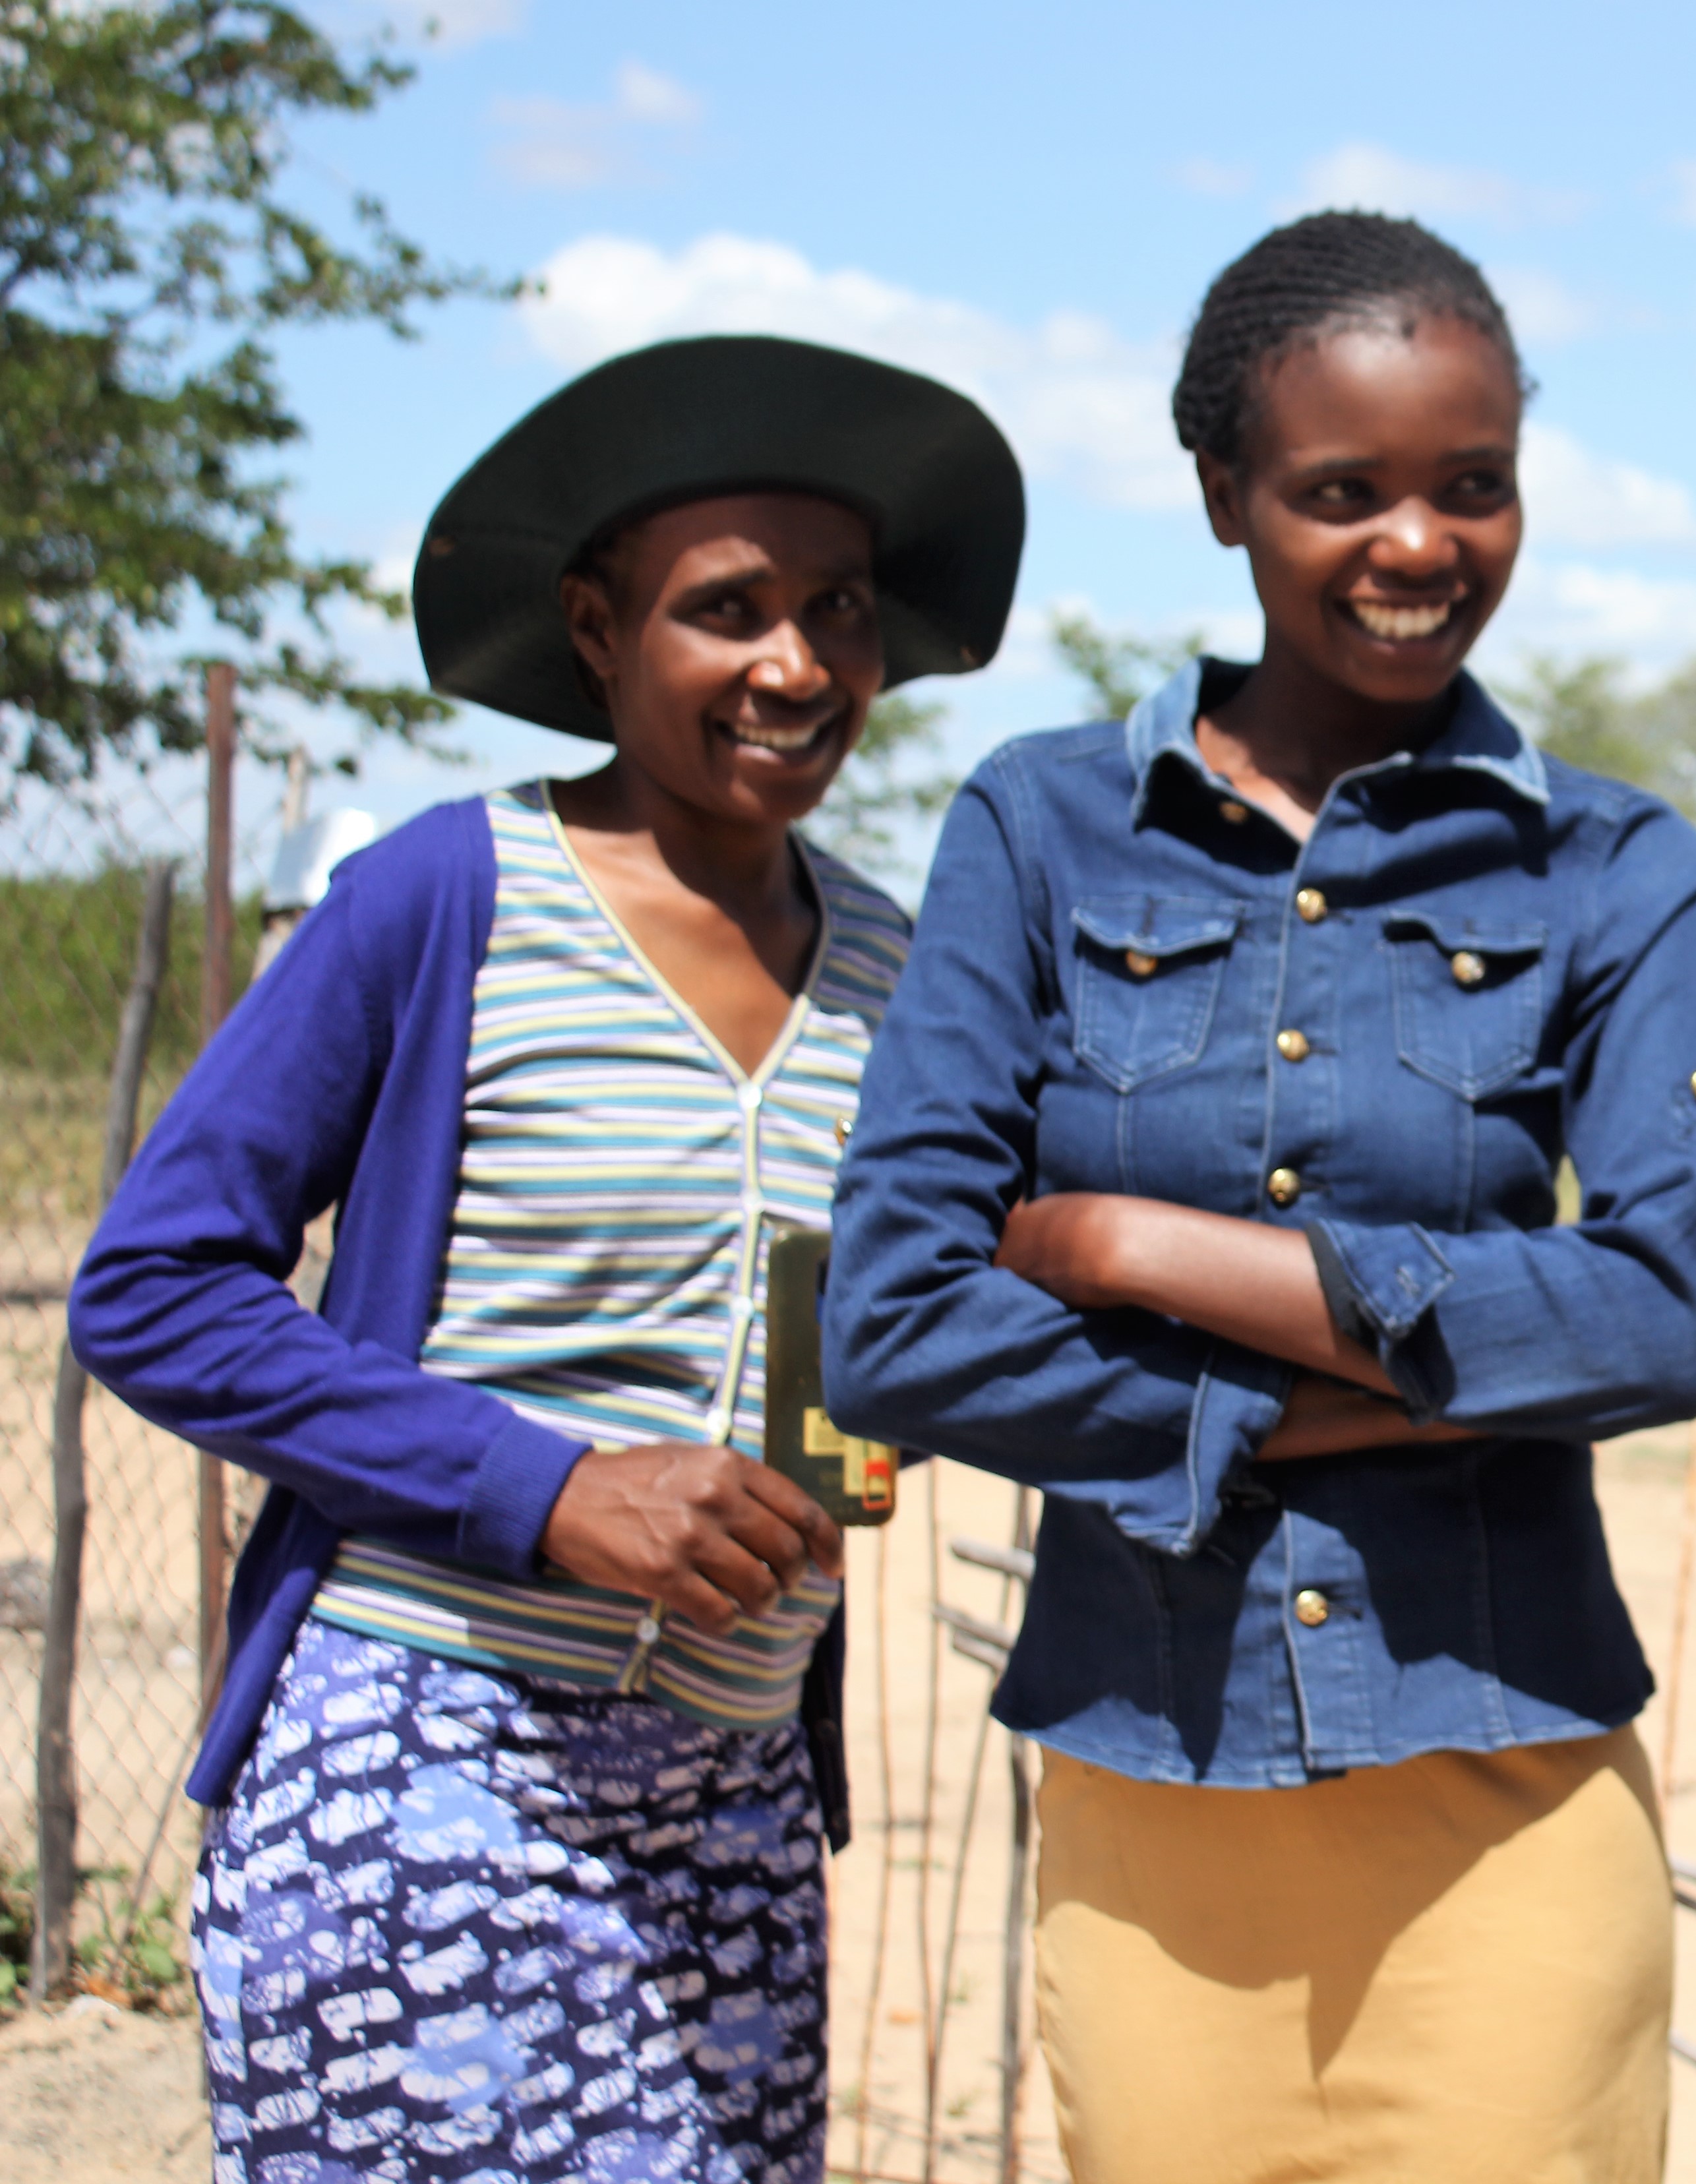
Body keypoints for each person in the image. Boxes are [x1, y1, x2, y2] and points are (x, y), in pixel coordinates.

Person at [820, 211, 1696, 2184]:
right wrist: (1327, 1393)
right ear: (1225, 495)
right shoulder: (1042, 826)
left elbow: (1660, 1316)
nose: (1422, 548)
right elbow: (891, 1323)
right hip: (1150, 1796)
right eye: (1345, 492)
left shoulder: (1614, 868)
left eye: (1475, 488)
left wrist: (1132, 1249)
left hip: (1505, 1784)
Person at [67, 334, 1025, 2184]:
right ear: (597, 629)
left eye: (838, 609)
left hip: (735, 1804)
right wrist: (551, 1486)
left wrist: (842, 1448)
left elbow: (829, 1322)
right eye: (726, 609)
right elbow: (154, 1289)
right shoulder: (447, 895)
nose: (797, 664)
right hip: (433, 1753)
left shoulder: (899, 970)